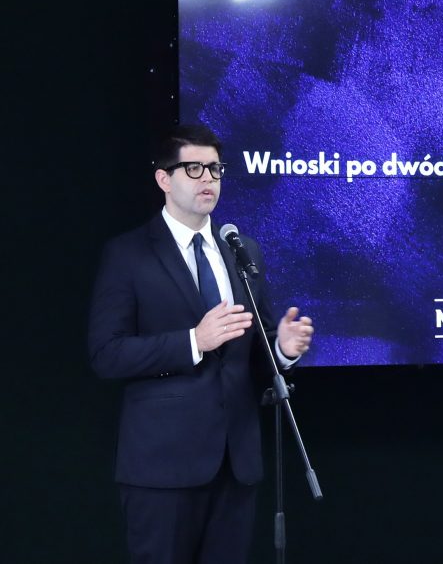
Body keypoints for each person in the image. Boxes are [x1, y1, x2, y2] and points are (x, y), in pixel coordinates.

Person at [87, 124, 314, 564]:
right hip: (162, 466)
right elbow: (106, 354)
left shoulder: (241, 250)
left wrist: (283, 349)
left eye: (215, 169)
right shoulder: (128, 254)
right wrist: (194, 341)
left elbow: (256, 351)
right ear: (163, 178)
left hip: (236, 463)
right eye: (193, 168)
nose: (208, 178)